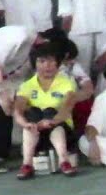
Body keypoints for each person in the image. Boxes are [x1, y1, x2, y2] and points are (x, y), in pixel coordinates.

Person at [12, 41, 78, 179]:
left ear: (57, 63)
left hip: (62, 131)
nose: (47, 65)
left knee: (50, 111)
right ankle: (27, 165)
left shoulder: (67, 83)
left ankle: (64, 161)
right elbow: (18, 110)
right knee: (32, 114)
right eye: (42, 61)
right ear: (35, 64)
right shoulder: (27, 86)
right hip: (36, 132)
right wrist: (26, 124)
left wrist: (51, 121)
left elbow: (66, 109)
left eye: (51, 61)